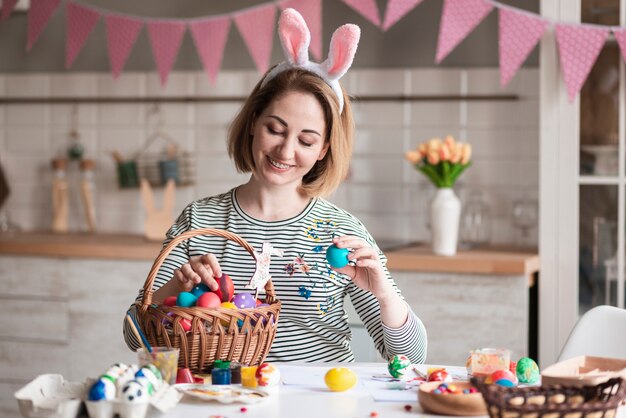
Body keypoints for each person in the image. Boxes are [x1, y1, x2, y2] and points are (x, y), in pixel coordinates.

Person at [124, 8, 427, 364]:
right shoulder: (200, 220)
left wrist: (384, 292)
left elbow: (412, 357)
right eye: (276, 129)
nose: (286, 151)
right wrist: (178, 286)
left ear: (324, 150)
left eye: (307, 140)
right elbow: (133, 336)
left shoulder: (341, 233)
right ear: (253, 122)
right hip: (223, 397)